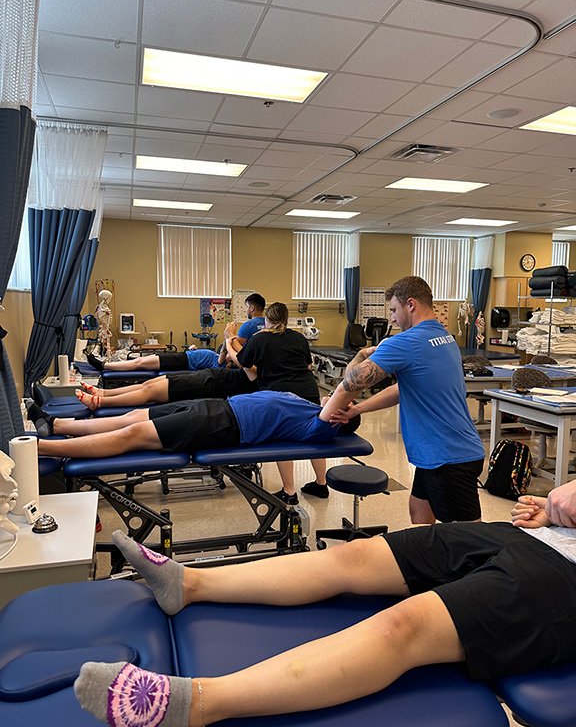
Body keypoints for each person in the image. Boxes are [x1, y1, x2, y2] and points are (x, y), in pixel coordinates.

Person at [74, 482, 576, 727]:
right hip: (545, 536)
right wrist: (552, 508)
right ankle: (188, 584)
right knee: (354, 555)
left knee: (404, 625)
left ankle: (196, 705)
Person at [331, 276, 485, 525]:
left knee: (466, 538)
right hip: (441, 451)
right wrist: (357, 409)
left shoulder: (406, 342)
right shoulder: (445, 337)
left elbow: (350, 381)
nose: (392, 319)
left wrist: (361, 354)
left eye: (393, 310)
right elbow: (404, 389)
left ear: (410, 304)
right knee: (419, 513)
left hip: (447, 457)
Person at [35, 389, 361, 459]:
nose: (333, 398)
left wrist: (366, 364)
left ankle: (40, 448)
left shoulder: (319, 426)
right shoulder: (309, 405)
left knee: (133, 434)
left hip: (223, 425)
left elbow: (347, 388)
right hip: (219, 405)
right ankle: (57, 425)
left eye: (343, 406)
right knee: (135, 416)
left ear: (340, 417)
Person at [227, 302, 327, 503]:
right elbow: (307, 365)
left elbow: (242, 361)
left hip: (280, 396)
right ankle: (321, 484)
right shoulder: (298, 337)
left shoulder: (260, 338)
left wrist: (229, 342)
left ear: (267, 319)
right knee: (314, 436)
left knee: (283, 440)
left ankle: (289, 492)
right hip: (308, 391)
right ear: (286, 319)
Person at [87, 345, 228, 374]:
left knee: (138, 363)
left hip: (181, 361)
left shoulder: (220, 363)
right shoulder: (217, 357)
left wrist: (229, 336)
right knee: (139, 361)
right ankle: (105, 364)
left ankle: (104, 365)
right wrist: (194, 349)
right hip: (182, 356)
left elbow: (224, 349)